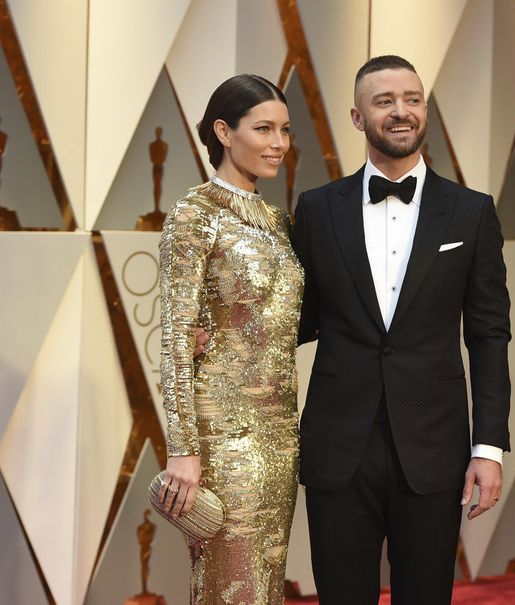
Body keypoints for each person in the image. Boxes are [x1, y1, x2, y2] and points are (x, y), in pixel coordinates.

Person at [292, 55, 511, 604]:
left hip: (434, 446)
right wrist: (226, 337)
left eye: (412, 99)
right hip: (338, 445)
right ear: (357, 117)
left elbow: (489, 336)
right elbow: (298, 318)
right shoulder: (316, 209)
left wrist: (488, 447)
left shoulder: (471, 212)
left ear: (425, 110)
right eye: (384, 101)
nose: (401, 111)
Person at [158, 74, 302, 605]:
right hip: (222, 435)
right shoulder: (194, 215)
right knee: (229, 584)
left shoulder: (280, 222)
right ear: (223, 131)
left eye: (284, 130)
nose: (278, 143)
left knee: (267, 581)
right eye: (263, 129)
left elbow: (282, 322)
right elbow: (175, 339)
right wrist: (183, 450)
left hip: (281, 433)